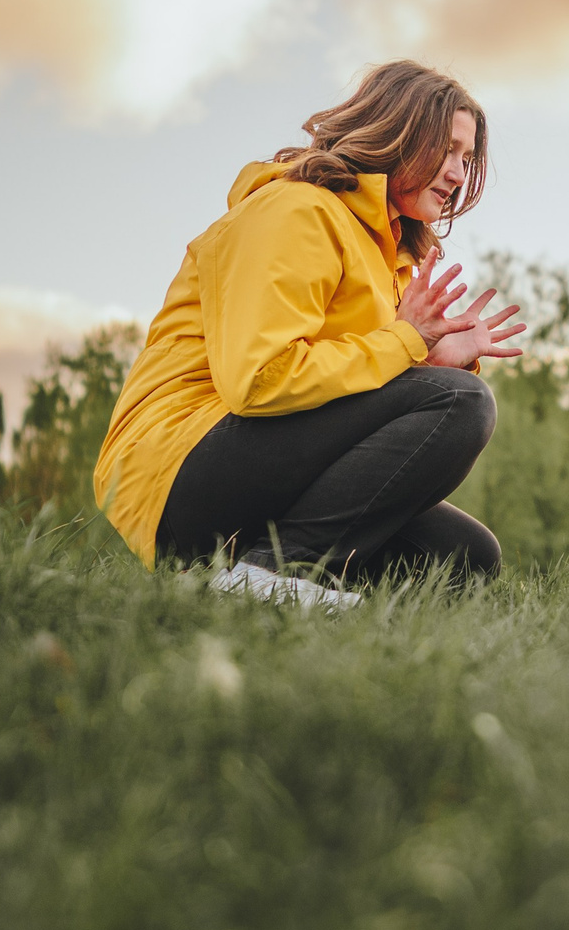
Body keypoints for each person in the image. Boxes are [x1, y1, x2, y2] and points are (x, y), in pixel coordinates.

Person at [93, 61, 526, 605]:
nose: (460, 174)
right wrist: (408, 345)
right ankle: (270, 577)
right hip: (178, 471)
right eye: (449, 150)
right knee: (462, 403)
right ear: (398, 131)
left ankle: (250, 574)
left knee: (464, 557)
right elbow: (261, 381)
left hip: (257, 465)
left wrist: (430, 360)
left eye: (467, 159)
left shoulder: (382, 252)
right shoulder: (295, 210)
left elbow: (348, 381)